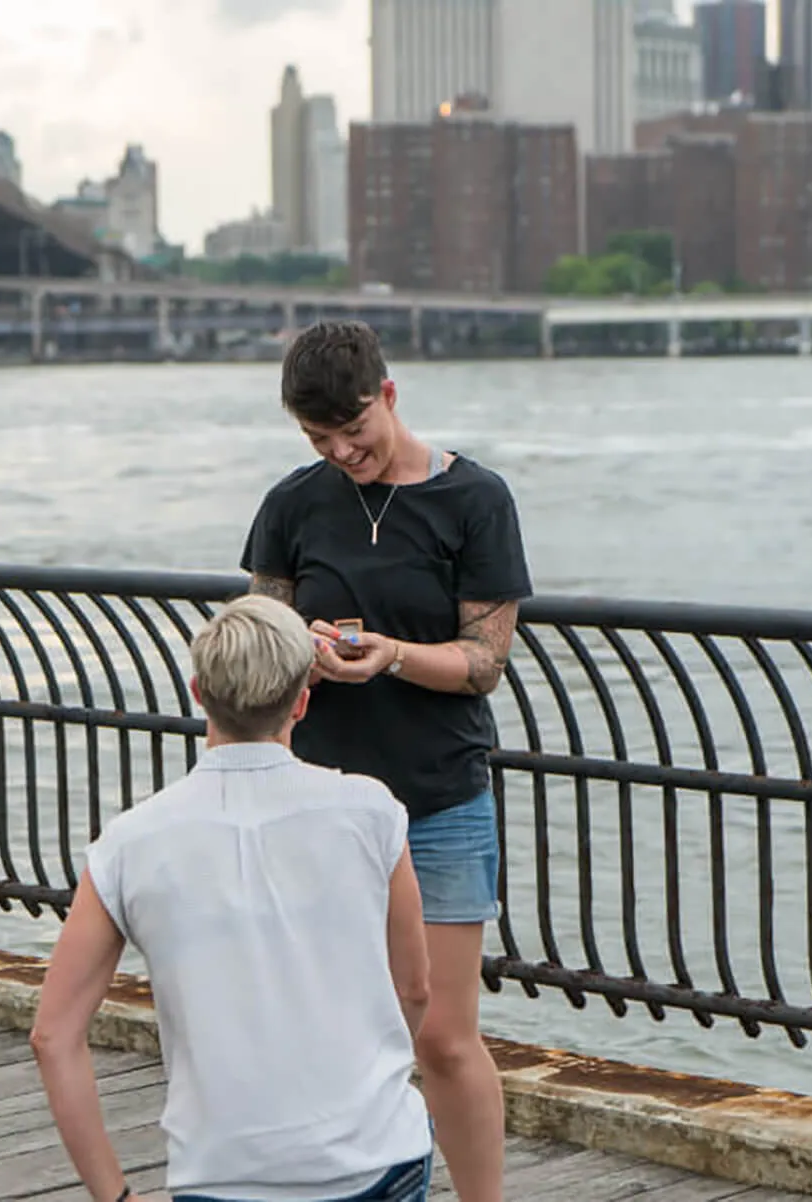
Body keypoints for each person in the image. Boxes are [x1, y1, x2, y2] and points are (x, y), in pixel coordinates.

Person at [240, 320, 532, 1202]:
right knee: (330, 1025)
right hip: (318, 802)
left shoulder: (475, 500)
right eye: (318, 440)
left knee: (442, 1035)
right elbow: (264, 640)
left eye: (353, 433)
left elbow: (484, 664)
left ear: (389, 396)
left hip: (437, 802)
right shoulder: (292, 505)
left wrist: (394, 653)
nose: (342, 453)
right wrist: (308, 652)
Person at [31, 594, 435, 1202]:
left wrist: (113, 1196)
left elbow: (53, 1037)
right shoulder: (372, 811)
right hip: (377, 1155)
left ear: (198, 692)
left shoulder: (129, 843)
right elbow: (414, 989)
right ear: (302, 700)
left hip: (225, 1172)